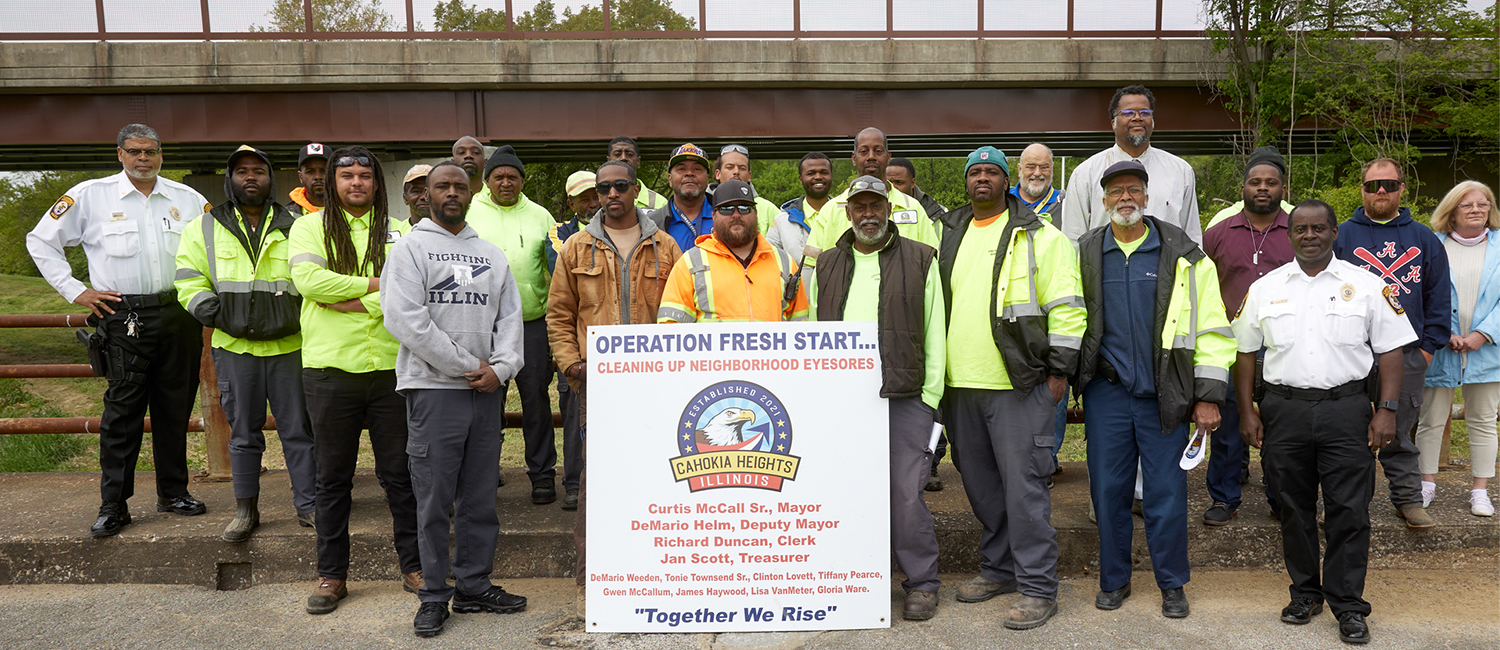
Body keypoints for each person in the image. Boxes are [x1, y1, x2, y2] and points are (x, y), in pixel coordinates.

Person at [1234, 200, 1415, 645]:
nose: (1309, 235)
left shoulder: (1368, 285)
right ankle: (1305, 594)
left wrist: (1387, 410)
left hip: (1346, 410)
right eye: (1301, 229)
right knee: (1293, 509)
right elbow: (1244, 354)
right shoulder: (1266, 287)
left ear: (1335, 233)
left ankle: (1348, 606)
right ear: (1289, 234)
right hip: (1284, 410)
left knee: (1348, 510)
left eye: (1319, 228)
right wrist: (1246, 410)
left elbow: (1391, 351)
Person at [27, 123, 210, 538]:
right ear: (120, 153)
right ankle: (114, 505)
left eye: (151, 151)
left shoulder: (187, 198)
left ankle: (174, 492)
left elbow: (214, 247)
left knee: (174, 407)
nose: (143, 158)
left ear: (161, 155)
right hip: (121, 313)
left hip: (177, 312)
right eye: (135, 151)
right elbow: (40, 241)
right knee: (122, 413)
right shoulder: (91, 196)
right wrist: (77, 291)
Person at [1075, 160, 1235, 619]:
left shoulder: (1183, 254)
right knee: (1109, 493)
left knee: (1166, 495)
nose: (1125, 197)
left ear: (1147, 197)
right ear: (1103, 200)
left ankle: (1172, 583)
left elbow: (1212, 328)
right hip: (1107, 396)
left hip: (1166, 395)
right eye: (1115, 191)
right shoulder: (1085, 252)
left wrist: (1207, 395)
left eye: (1134, 190)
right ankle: (1114, 580)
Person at [382, 161, 529, 638]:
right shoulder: (410, 249)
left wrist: (501, 369)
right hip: (434, 391)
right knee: (433, 499)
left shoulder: (492, 255)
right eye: (441, 185)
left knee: (480, 496)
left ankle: (473, 584)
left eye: (459, 186)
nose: (451, 192)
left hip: (486, 392)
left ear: (472, 192)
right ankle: (433, 596)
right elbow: (405, 320)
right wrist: (470, 367)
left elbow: (511, 321)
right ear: (425, 193)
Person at [939, 146, 1085, 631]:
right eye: (974, 172)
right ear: (966, 181)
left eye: (992, 172)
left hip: (1019, 385)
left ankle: (1038, 587)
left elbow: (1067, 308)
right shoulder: (950, 232)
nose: (983, 179)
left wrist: (1058, 372)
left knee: (1024, 490)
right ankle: (998, 570)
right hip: (960, 384)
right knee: (980, 487)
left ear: (1009, 182)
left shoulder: (1042, 236)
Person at [287, 146, 421, 614]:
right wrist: (375, 286)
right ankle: (332, 575)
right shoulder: (308, 226)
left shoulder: (400, 231)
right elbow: (310, 283)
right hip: (330, 369)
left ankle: (414, 565)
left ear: (376, 183)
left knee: (400, 475)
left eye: (365, 175)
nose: (357, 183)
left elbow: (410, 289)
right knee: (332, 479)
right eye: (347, 176)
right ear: (332, 182)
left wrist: (349, 295)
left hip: (390, 369)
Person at [547, 160, 683, 620]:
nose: (610, 194)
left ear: (635, 189)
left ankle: (653, 576)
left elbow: (684, 314)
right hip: (598, 388)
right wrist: (572, 366)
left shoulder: (666, 247)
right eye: (603, 188)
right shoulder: (574, 247)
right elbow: (559, 316)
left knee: (659, 477)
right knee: (597, 484)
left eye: (619, 186)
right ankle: (593, 583)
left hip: (656, 388)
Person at [806, 175, 946, 620]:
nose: (869, 214)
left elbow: (935, 331)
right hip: (841, 401)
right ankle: (851, 578)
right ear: (847, 213)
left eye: (876, 206)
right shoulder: (826, 264)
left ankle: (921, 583)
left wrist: (930, 398)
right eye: (860, 207)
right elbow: (811, 332)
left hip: (905, 396)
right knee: (844, 492)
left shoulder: (922, 258)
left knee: (906, 495)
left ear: (889, 209)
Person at [174, 145, 316, 542]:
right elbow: (188, 276)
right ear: (230, 179)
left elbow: (315, 274)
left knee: (299, 432)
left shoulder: (298, 223)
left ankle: (309, 506)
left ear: (272, 178)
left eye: (258, 170)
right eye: (242, 172)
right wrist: (211, 311)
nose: (250, 177)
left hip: (291, 346)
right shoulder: (204, 226)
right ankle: (245, 509)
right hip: (234, 348)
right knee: (243, 434)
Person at [1332, 158, 1452, 529]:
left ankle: (1408, 500)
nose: (1380, 191)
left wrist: (1428, 348)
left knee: (1399, 431)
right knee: (1350, 434)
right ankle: (1348, 506)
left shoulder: (1423, 238)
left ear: (1402, 188)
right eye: (1372, 185)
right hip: (1352, 352)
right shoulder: (1342, 236)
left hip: (1407, 353)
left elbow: (1438, 297)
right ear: (1362, 190)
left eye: (1388, 184)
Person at [1200, 146, 1295, 525]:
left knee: (1280, 429)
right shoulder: (1219, 234)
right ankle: (1225, 497)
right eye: (1255, 182)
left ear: (1283, 190)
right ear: (1242, 188)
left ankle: (1280, 497)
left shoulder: (1298, 230)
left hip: (1281, 347)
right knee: (1227, 428)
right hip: (1229, 347)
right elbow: (1201, 285)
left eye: (1271, 183)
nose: (1262, 188)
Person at [465, 145, 560, 505]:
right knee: (486, 401)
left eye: (513, 176)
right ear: (487, 180)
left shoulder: (540, 215)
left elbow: (554, 266)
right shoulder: (470, 213)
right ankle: (485, 474)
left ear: (522, 179)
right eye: (499, 176)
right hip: (482, 326)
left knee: (535, 400)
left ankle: (542, 475)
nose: (506, 182)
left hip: (530, 324)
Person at [1415, 181, 1500, 517]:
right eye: (1467, 205)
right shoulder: (1431, 245)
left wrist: (1484, 333)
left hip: (1488, 348)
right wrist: (1442, 331)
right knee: (1431, 417)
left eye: (1483, 204)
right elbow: (1419, 293)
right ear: (1451, 211)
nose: (1477, 209)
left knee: (1483, 419)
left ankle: (1480, 489)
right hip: (1440, 345)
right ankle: (1425, 482)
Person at [1062, 85, 1201, 244]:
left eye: (1145, 113)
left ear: (1153, 122)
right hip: (1105, 267)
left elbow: (1192, 236)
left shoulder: (1180, 171)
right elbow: (1072, 239)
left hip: (1166, 268)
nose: (1137, 118)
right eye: (1128, 113)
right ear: (1113, 123)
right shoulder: (1085, 174)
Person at [657, 179, 809, 323]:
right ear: (713, 216)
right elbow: (671, 331)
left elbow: (801, 328)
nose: (736, 215)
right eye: (726, 209)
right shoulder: (690, 263)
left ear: (755, 214)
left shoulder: (785, 262)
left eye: (744, 208)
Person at [1009, 143, 1068, 480]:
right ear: (1019, 169)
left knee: (1056, 384)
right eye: (1030, 166)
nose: (1037, 173)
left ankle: (1048, 457)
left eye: (1044, 167)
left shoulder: (1067, 204)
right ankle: (1019, 455)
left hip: (1056, 307)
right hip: (1014, 312)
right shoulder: (1006, 203)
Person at [545, 170, 601, 510]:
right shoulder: (560, 234)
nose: (593, 202)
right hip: (578, 346)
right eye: (584, 198)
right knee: (574, 417)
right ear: (571, 203)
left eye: (596, 194)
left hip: (619, 351)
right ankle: (573, 484)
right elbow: (561, 276)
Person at [805, 128, 938, 261]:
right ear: (854, 158)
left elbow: (931, 260)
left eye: (878, 151)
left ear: (888, 157)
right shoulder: (830, 210)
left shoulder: (913, 208)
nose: (871, 156)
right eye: (864, 151)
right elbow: (810, 266)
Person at [767, 152, 835, 271]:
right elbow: (769, 264)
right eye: (811, 173)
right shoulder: (782, 222)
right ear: (801, 179)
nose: (818, 177)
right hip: (799, 290)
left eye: (824, 172)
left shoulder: (846, 215)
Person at [647, 143, 715, 254]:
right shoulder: (651, 224)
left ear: (707, 179)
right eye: (681, 169)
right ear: (670, 179)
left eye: (697, 169)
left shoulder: (725, 216)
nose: (689, 173)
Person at [712, 143, 781, 234]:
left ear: (749, 176)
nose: (736, 172)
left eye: (742, 168)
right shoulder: (703, 205)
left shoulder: (769, 209)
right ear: (718, 174)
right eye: (730, 167)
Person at [886, 156, 949, 236]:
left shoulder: (938, 212)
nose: (893, 187)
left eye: (899, 182)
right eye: (889, 183)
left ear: (912, 183)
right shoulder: (878, 210)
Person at [606, 136, 668, 210]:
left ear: (638, 161)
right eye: (617, 154)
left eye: (629, 154)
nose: (623, 158)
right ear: (609, 161)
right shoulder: (599, 198)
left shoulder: (660, 203)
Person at [289, 143, 328, 216]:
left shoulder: (350, 210)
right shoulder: (286, 215)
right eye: (310, 171)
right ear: (301, 177)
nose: (318, 176)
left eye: (324, 171)